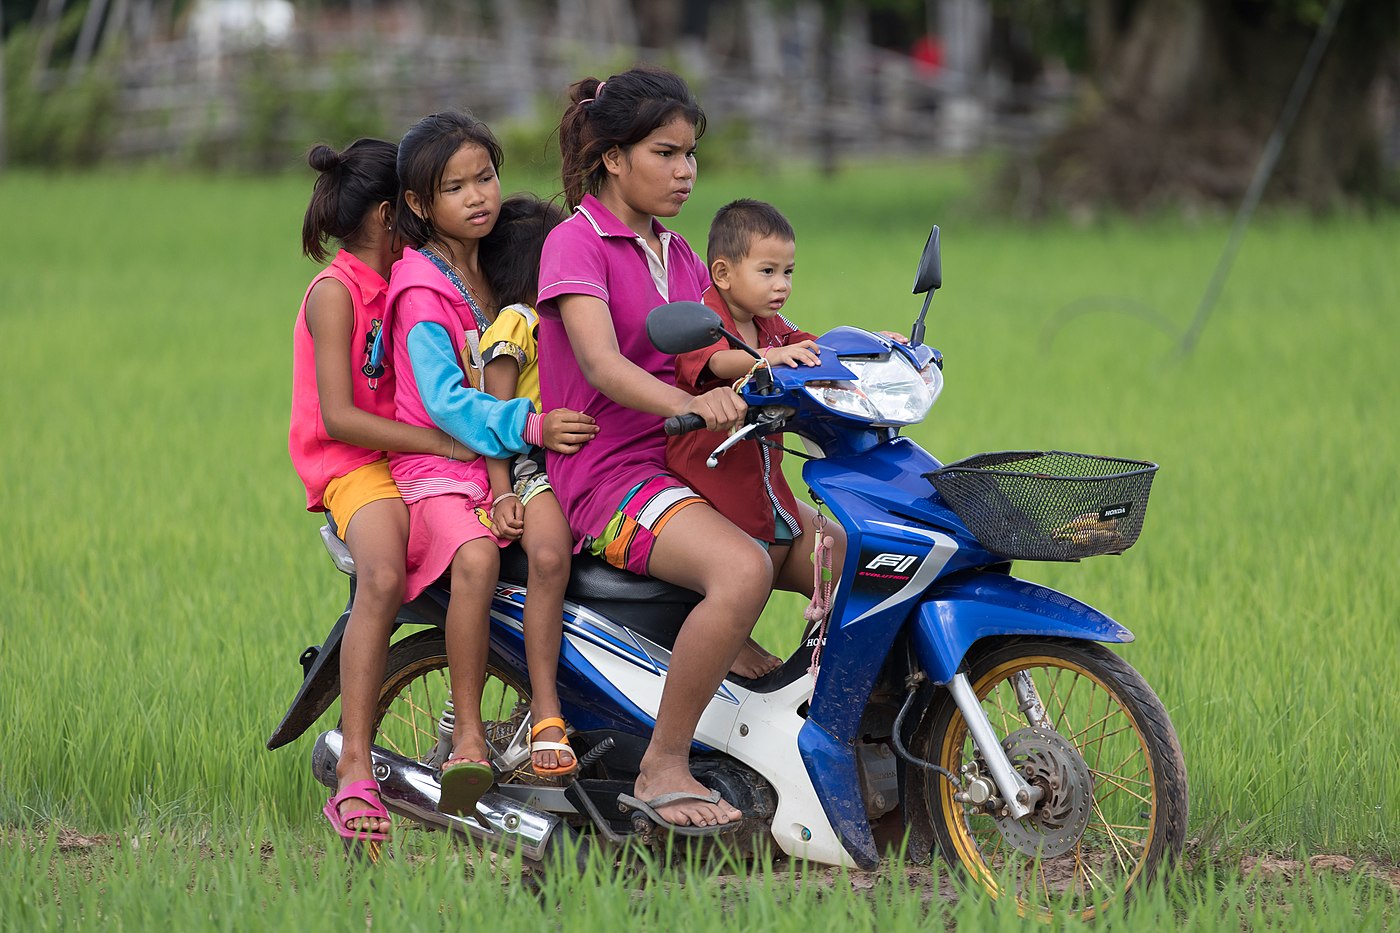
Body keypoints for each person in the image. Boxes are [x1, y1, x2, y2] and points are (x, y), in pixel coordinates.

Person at [536, 65, 769, 833]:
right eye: (667, 153)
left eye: (692, 154)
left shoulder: (679, 252)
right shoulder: (577, 243)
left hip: (689, 457)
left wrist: (793, 366)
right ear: (612, 157)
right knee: (742, 568)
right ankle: (664, 762)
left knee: (837, 546)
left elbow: (717, 350)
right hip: (611, 472)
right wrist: (689, 405)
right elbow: (603, 363)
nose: (686, 172)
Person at [386, 111, 598, 816]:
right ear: (420, 205)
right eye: (457, 187)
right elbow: (448, 401)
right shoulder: (421, 289)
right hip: (441, 466)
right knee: (478, 558)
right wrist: (529, 423)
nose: (479, 195)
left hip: (490, 462)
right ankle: (470, 734)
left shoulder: (489, 268)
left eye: (486, 176)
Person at [290, 138, 462, 845]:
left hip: (405, 454)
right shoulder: (336, 291)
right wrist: (443, 443)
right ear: (391, 212)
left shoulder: (409, 281)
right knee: (384, 575)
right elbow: (341, 415)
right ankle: (356, 766)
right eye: (417, 211)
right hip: (355, 464)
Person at [666, 199, 848, 653]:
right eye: (767, 271)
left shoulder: (769, 322)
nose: (781, 284)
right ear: (723, 274)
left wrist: (870, 345)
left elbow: (810, 345)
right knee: (752, 557)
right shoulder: (707, 315)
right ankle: (733, 646)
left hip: (762, 474)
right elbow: (711, 361)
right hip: (711, 475)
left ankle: (820, 666)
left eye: (788, 272)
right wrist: (764, 358)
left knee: (838, 549)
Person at [477, 194, 578, 777]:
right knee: (547, 555)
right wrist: (504, 493)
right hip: (534, 465)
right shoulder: (518, 322)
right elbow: (493, 419)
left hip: (583, 460)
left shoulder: (575, 317)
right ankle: (545, 709)